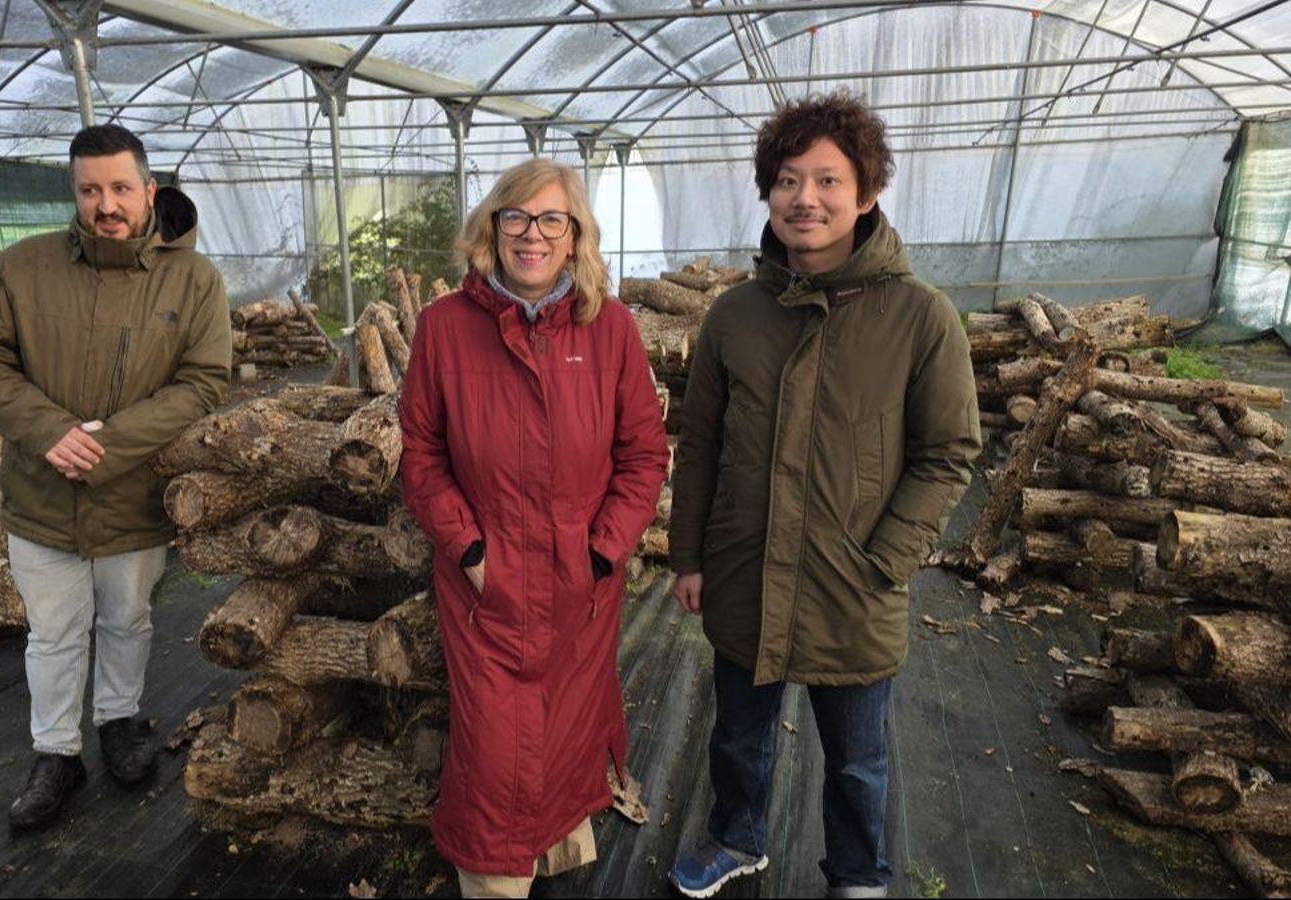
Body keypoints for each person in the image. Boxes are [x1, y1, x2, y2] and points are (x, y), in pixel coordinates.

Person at [667, 92, 982, 898]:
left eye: (828, 180)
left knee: (859, 756)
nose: (805, 198)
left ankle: (857, 873)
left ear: (867, 194)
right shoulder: (735, 315)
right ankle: (737, 838)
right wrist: (692, 556)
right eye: (787, 179)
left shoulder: (921, 318)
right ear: (767, 192)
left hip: (854, 580)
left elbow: (948, 453)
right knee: (738, 734)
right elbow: (699, 442)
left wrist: (887, 562)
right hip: (744, 566)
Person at [399, 158, 670, 898]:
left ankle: (552, 858)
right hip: (487, 583)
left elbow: (643, 454)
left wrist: (604, 550)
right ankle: (494, 882)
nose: (532, 235)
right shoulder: (445, 328)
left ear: (575, 234)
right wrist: (470, 548)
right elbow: (420, 454)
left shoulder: (608, 329)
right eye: (516, 218)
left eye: (553, 219)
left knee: (566, 730)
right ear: (491, 228)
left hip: (579, 581)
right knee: (493, 747)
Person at [0, 123, 232, 830]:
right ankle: (56, 754)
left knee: (128, 617)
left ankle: (119, 722)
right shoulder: (24, 267)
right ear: (74, 193)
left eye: (118, 188)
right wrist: (50, 431)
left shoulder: (194, 279)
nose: (105, 204)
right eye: (89, 190)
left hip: (132, 491)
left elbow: (202, 384)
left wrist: (109, 446)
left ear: (148, 188)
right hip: (41, 492)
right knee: (51, 633)